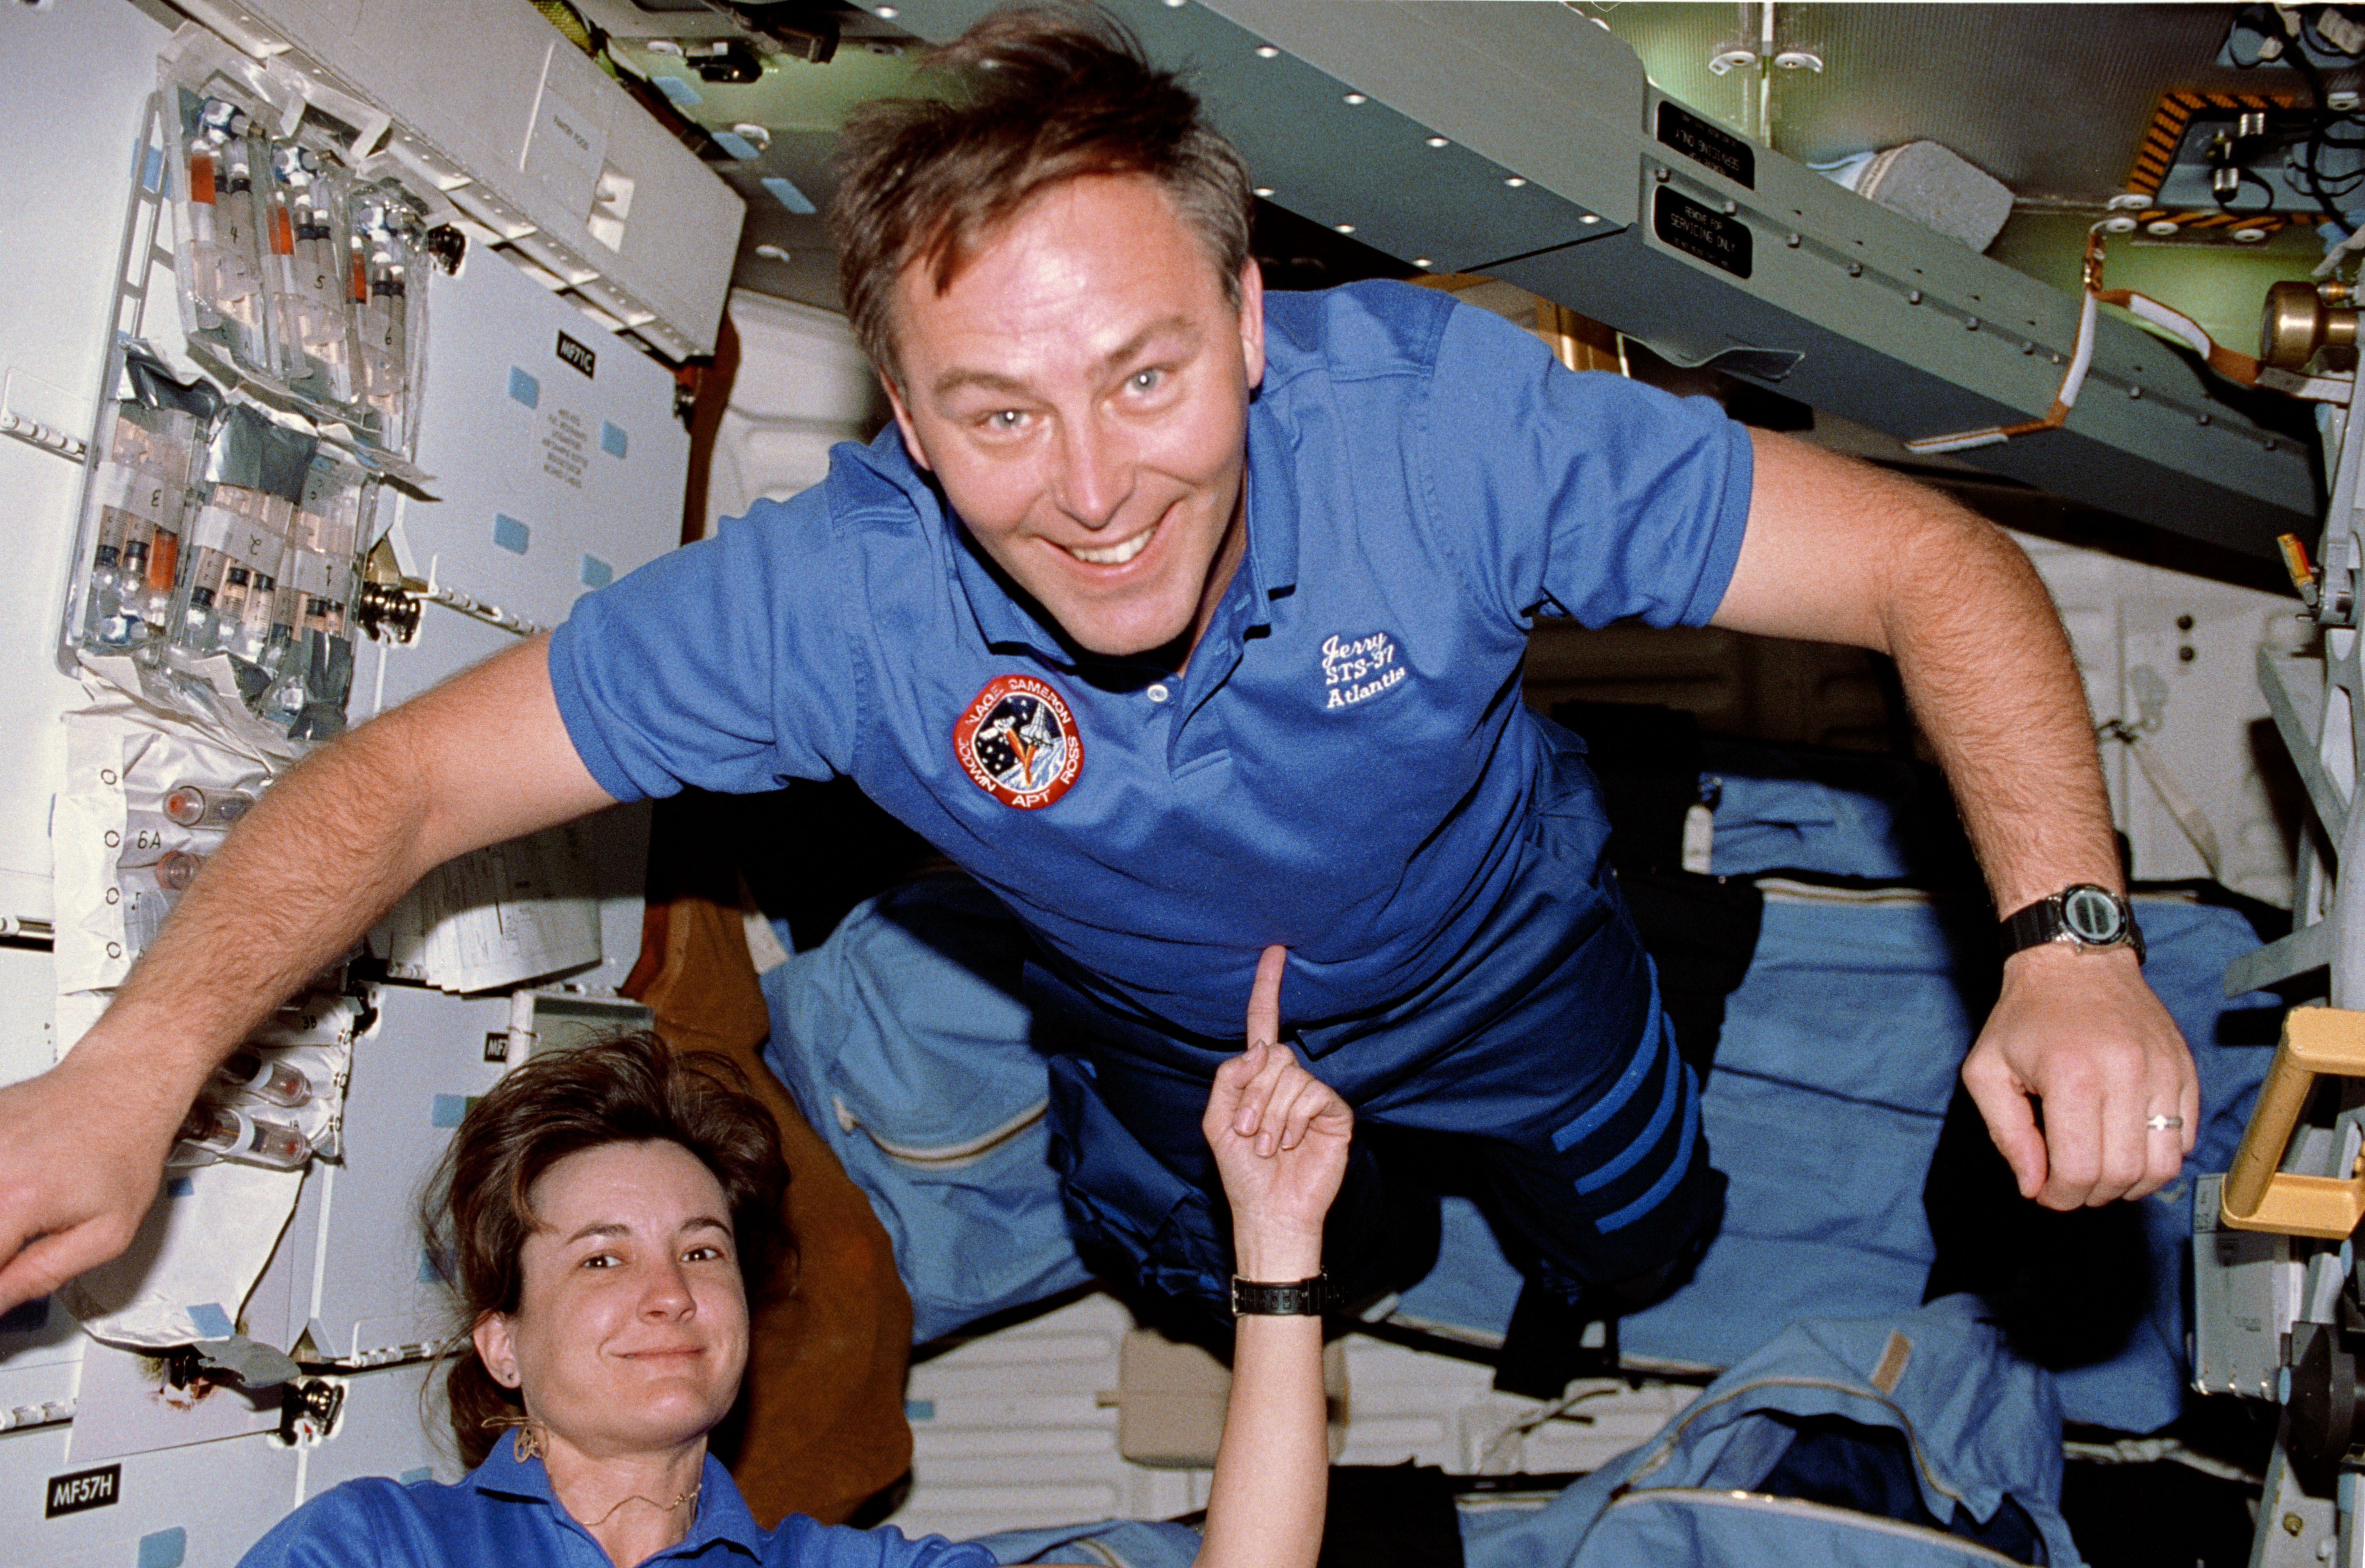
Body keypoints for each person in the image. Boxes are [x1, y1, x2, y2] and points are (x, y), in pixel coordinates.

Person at [0, 7, 2193, 1320]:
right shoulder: (832, 600)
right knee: (1209, 1254)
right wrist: (129, 1071)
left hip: (1514, 976)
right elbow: (391, 788)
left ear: (1252, 329)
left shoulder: (1439, 431)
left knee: (1634, 1230)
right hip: (1157, 1046)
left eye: (1144, 376)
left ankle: (1584, 1241)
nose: (1086, 487)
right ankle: (1342, 1275)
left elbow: (1931, 559)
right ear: (899, 409)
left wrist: (2073, 938)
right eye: (992, 413)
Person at [239, 957, 1347, 1568]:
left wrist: (1279, 1239)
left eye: (702, 1247)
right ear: (504, 1345)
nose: (669, 1293)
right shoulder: (377, 1548)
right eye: (600, 1259)